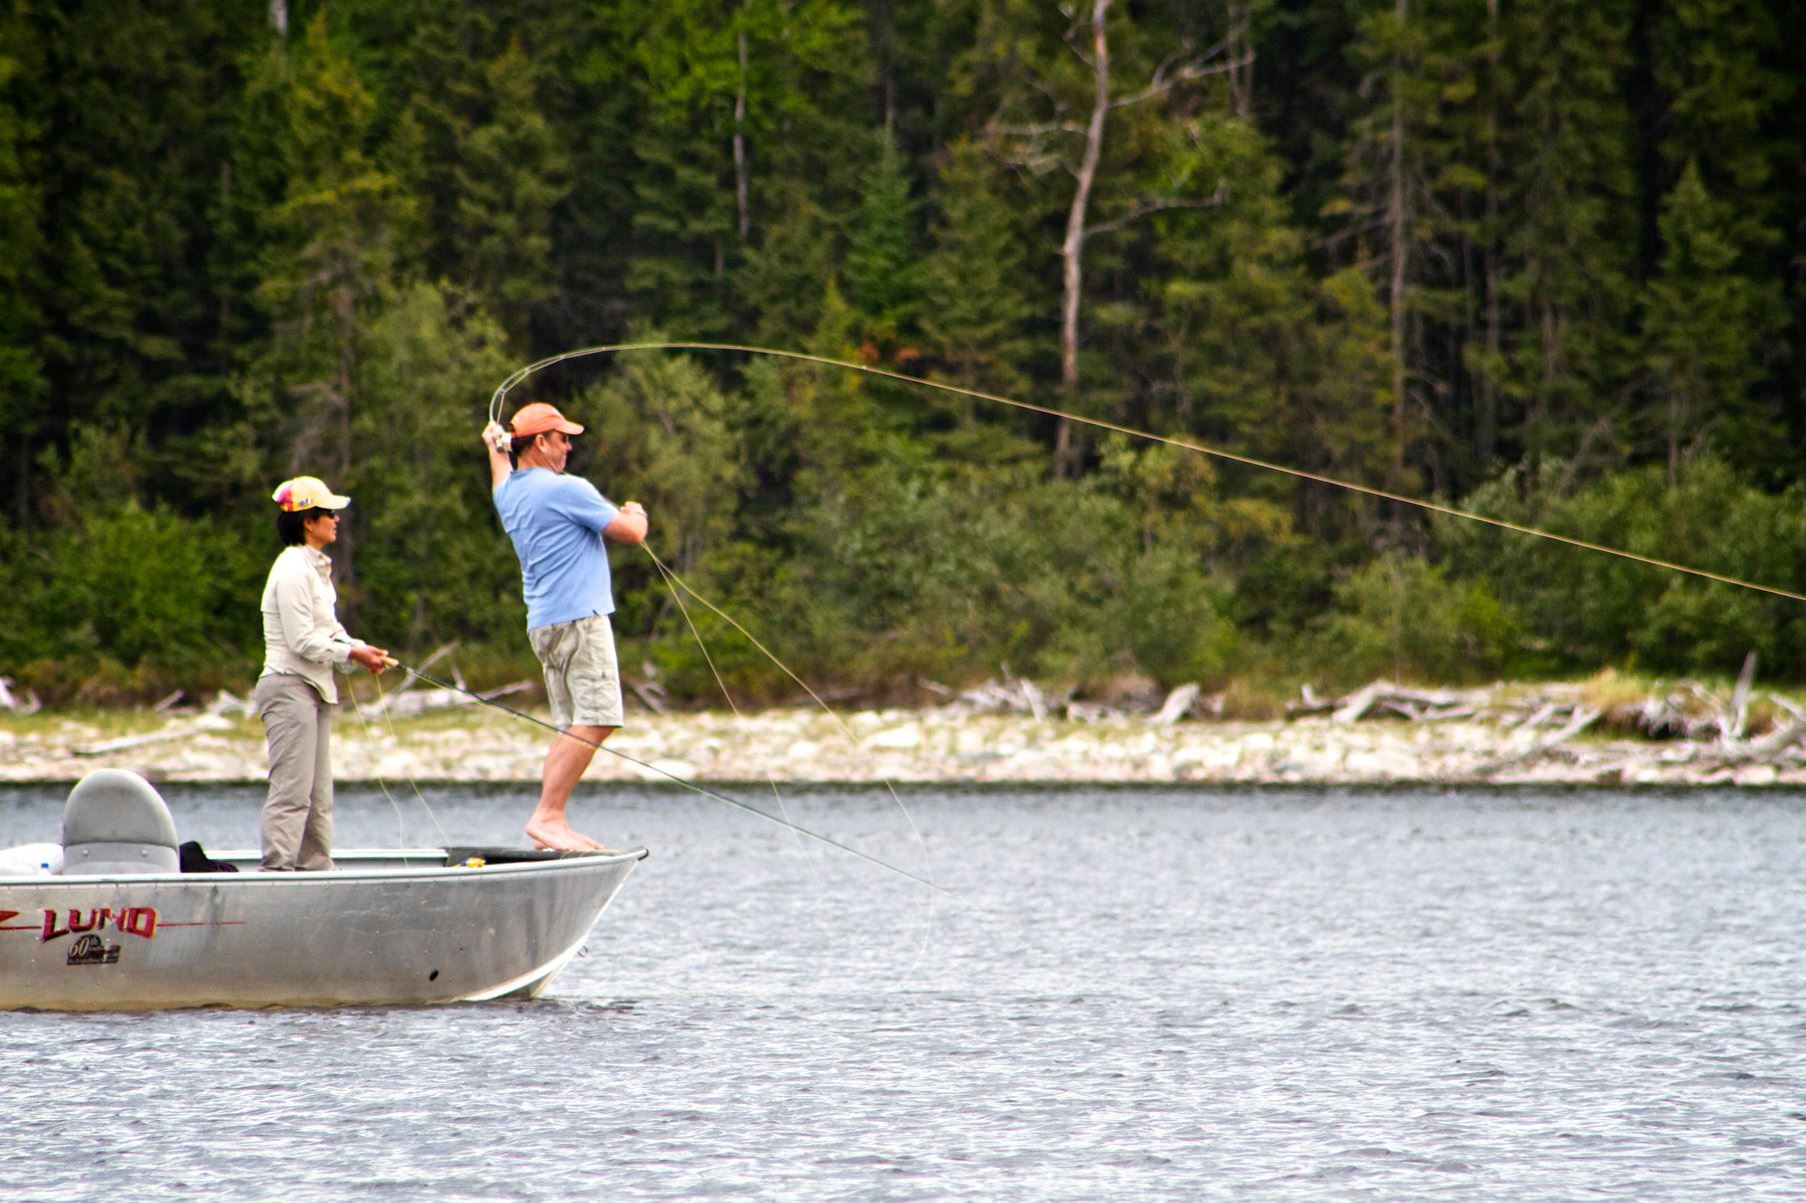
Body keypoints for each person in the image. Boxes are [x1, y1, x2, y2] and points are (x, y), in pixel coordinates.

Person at [483, 403, 648, 852]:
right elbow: (630, 532)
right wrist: (638, 513)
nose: (569, 446)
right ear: (540, 442)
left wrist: (495, 446)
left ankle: (550, 824)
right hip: (580, 620)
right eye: (562, 438)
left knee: (572, 725)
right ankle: (548, 815)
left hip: (544, 626)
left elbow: (501, 470)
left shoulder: (509, 493)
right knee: (598, 719)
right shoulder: (565, 489)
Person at [255, 476, 390, 871]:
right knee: (292, 793)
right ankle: (276, 870)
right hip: (288, 686)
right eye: (328, 513)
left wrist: (359, 652)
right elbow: (301, 642)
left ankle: (315, 870)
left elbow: (327, 631)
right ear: (307, 522)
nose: (335, 519)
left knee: (318, 795)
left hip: (315, 688)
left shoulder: (314, 569)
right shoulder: (294, 569)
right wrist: (352, 652)